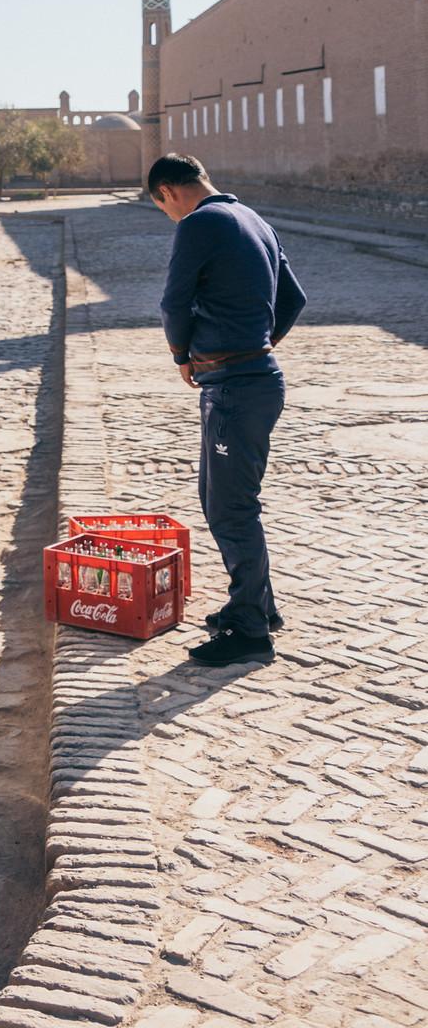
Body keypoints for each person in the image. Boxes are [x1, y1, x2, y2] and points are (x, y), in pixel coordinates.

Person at [147, 153, 307, 667]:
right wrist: (259, 343)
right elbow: (294, 299)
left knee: (231, 507)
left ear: (169, 192)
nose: (170, 216)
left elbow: (174, 302)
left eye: (163, 207)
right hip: (254, 379)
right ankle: (257, 606)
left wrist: (182, 354)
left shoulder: (199, 223)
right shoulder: (252, 218)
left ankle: (251, 633)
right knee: (219, 498)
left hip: (235, 386)